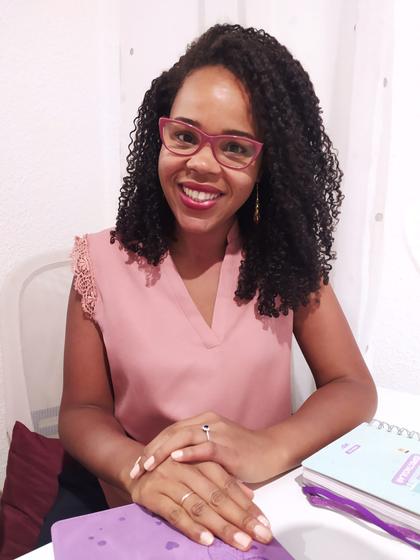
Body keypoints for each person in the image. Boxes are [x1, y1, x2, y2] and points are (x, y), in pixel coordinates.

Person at [39, 23, 377, 552]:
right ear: (161, 134)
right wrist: (138, 468)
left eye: (236, 147)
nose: (201, 163)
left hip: (260, 507)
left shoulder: (284, 262)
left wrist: (270, 447)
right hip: (136, 506)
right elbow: (81, 412)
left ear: (268, 165)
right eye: (185, 135)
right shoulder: (99, 262)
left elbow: (353, 387)